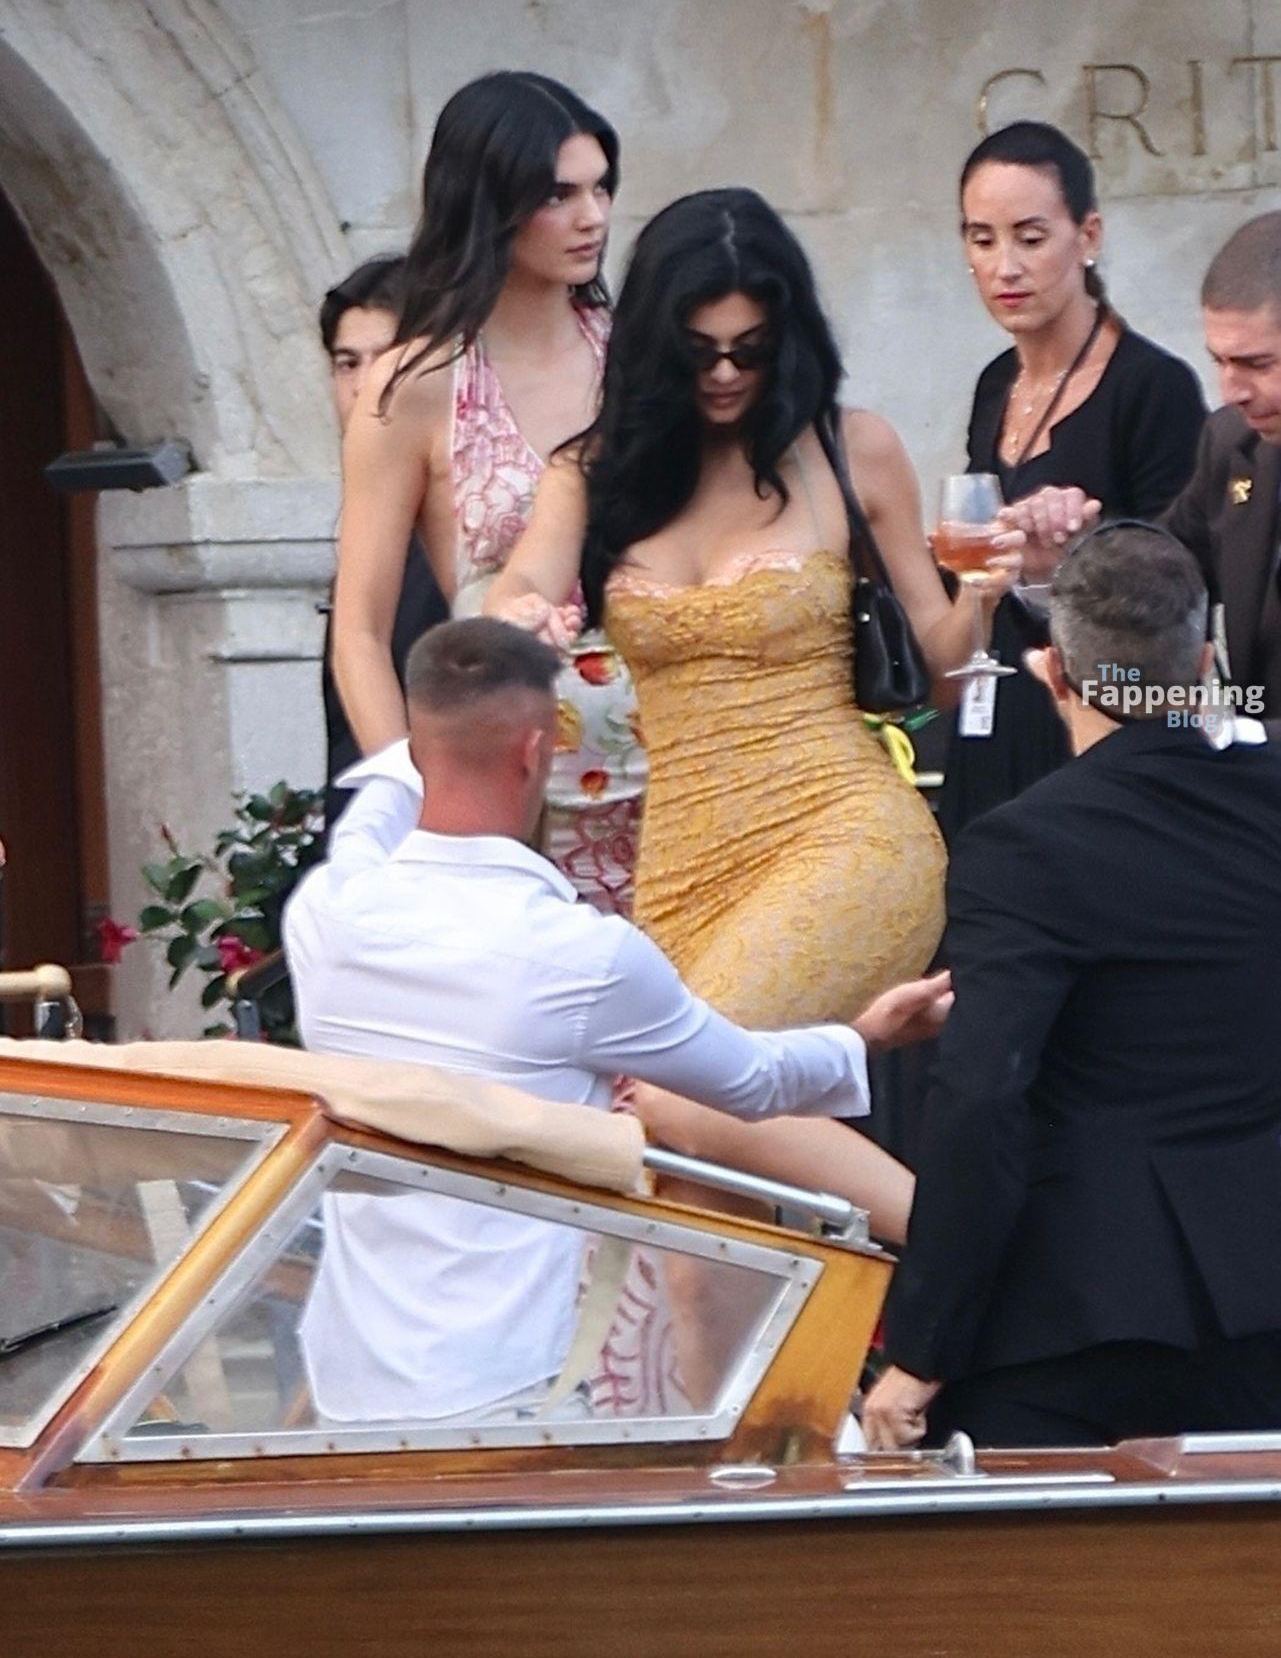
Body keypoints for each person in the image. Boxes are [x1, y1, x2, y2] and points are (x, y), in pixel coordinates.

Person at [485, 187, 1021, 1240]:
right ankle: (786, 1367)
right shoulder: (594, 472)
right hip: (684, 863)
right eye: (701, 353)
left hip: (843, 831)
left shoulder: (848, 447)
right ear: (655, 348)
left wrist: (985, 595)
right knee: (695, 1192)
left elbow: (944, 669)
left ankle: (978, 1260)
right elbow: (520, 585)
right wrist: (523, 616)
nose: (728, 374)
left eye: (752, 349)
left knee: (683, 1094)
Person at [285, 618, 950, 1426]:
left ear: (421, 747)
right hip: (509, 1390)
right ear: (537, 751)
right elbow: (752, 1081)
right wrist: (867, 1035)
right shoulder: (580, 954)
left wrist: (414, 753)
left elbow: (371, 814)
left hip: (349, 1383)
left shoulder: (326, 912)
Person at [863, 524, 1281, 1451]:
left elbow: (981, 1098)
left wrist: (921, 1349)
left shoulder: (1024, 845)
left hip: (1086, 1320)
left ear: (1053, 672)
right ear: (1202, 664)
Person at [331, 72, 645, 913]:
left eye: (601, 188)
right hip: (508, 804)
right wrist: (415, 806)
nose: (592, 216)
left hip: (678, 782)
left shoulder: (643, 356)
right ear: (488, 202)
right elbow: (359, 631)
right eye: (558, 195)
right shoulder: (415, 384)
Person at [938, 121, 1205, 841]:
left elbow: (1182, 582)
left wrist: (1075, 556)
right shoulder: (995, 383)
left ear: (1087, 236)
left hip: (1100, 727)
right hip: (996, 704)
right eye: (981, 239)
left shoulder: (1151, 386)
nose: (1005, 267)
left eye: (1030, 238)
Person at [1010, 212, 1281, 735]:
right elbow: (1156, 582)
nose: (1231, 391)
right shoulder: (1232, 444)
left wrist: (1232, 737)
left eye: (1258, 364)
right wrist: (1061, 565)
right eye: (1220, 362)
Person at [318, 255, 448, 827]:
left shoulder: (468, 516)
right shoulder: (361, 515)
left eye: (391, 357)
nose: (367, 384)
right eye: (348, 363)